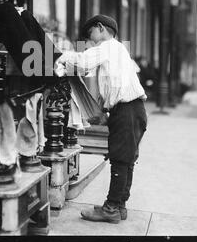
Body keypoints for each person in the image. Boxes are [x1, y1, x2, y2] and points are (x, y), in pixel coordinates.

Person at [55, 14, 148, 223]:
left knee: (120, 160)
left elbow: (83, 60)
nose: (92, 41)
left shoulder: (108, 46)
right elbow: (102, 78)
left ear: (100, 28)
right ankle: (120, 205)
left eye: (92, 35)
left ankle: (111, 208)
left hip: (127, 110)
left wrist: (58, 56)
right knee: (127, 160)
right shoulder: (118, 51)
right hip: (133, 110)